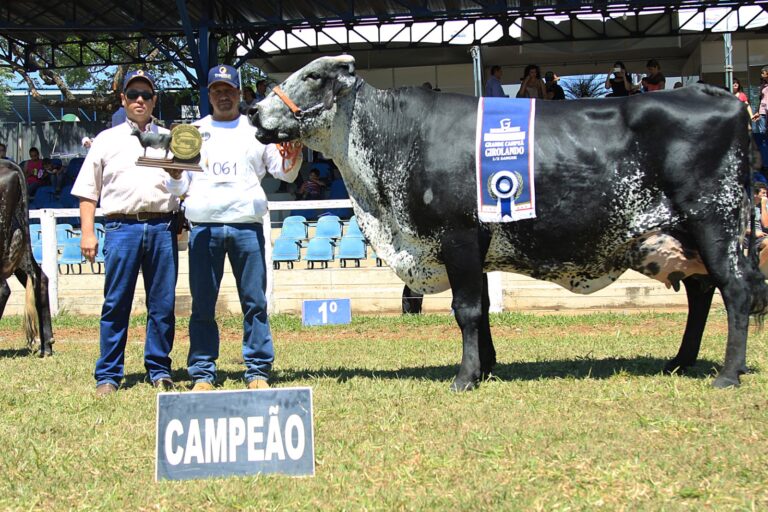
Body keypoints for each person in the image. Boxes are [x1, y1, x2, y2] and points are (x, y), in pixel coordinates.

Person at [165, 64, 303, 391]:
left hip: (247, 227)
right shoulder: (192, 133)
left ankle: (258, 371)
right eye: (217, 90)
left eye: (229, 90)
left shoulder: (258, 130)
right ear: (209, 94)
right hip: (205, 228)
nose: (223, 96)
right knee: (202, 304)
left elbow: (285, 173)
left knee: (254, 303)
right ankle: (202, 373)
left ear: (239, 93)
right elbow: (178, 187)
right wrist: (174, 174)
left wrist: (294, 153)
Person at [72, 70, 180, 397]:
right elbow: (88, 190)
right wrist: (87, 233)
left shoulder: (171, 138)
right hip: (121, 227)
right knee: (116, 303)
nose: (139, 100)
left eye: (146, 95)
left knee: (162, 304)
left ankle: (159, 369)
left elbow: (184, 182)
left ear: (154, 100)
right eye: (133, 94)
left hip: (162, 226)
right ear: (123, 99)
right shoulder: (106, 140)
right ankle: (108, 374)